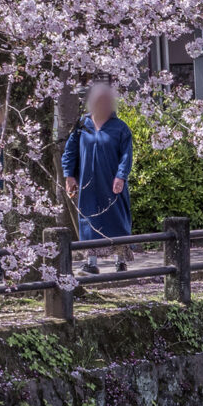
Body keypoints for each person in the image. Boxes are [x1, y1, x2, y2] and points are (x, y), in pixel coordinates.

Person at [60, 82, 134, 271]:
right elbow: (70, 151)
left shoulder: (120, 128)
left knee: (117, 219)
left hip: (111, 182)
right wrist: (69, 175)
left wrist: (121, 176)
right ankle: (91, 263)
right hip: (88, 183)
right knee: (88, 220)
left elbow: (126, 155)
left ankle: (120, 260)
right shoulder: (82, 126)